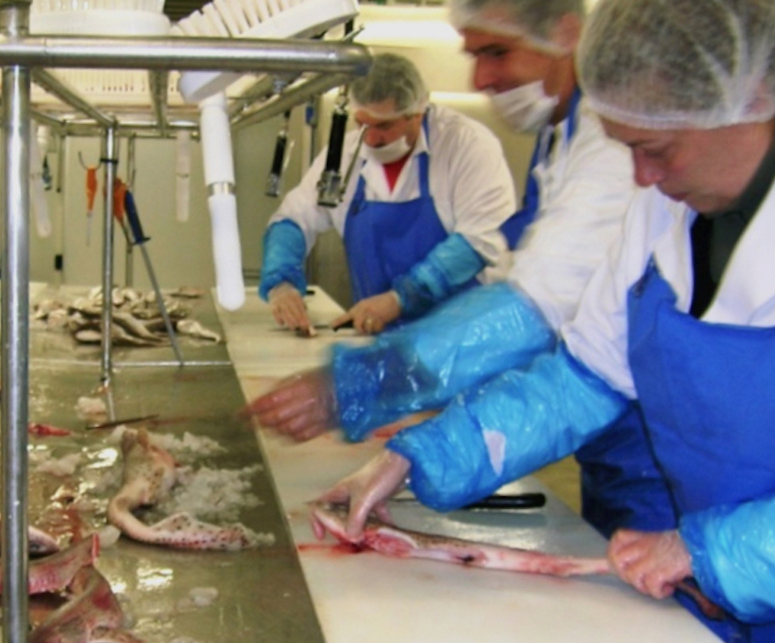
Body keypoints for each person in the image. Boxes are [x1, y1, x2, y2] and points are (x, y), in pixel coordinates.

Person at [316, 0, 775, 643]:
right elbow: (583, 379)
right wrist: (425, 453)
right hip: (708, 596)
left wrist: (712, 550)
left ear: (748, 101)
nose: (640, 178)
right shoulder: (659, 209)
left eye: (656, 149)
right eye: (626, 150)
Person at [246, 0, 671, 539]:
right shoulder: (559, 134)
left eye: (497, 51)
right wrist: (418, 454)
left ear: (567, 32)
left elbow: (525, 299)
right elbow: (584, 370)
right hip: (583, 426)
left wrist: (363, 377)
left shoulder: (608, 146)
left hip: (648, 448)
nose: (482, 77)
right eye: (473, 54)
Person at [259, 52, 515, 335]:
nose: (370, 138)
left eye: (384, 126)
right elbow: (293, 219)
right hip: (381, 340)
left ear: (416, 113)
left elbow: (480, 241)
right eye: (362, 124)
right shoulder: (346, 154)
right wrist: (281, 282)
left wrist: (400, 298)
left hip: (465, 339)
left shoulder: (466, 146)